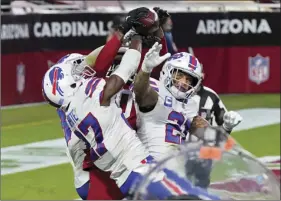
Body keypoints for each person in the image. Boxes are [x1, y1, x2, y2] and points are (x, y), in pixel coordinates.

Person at [133, 51, 209, 161]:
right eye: (179, 75)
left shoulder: (190, 104)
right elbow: (141, 93)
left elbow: (210, 136)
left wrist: (226, 128)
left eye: (188, 79)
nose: (183, 82)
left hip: (177, 166)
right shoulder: (154, 89)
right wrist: (145, 70)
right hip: (151, 165)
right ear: (167, 71)